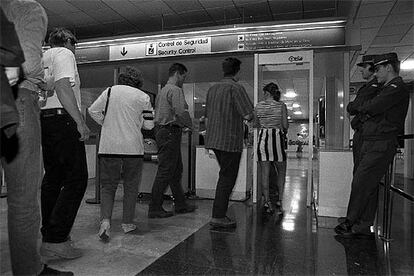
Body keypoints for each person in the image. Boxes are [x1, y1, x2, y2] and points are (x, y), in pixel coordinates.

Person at [1, 1, 73, 275]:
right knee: (23, 197)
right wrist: (42, 81)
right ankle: (29, 271)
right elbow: (28, 62)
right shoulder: (27, 8)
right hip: (16, 103)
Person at [335, 53, 409, 237]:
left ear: (388, 67)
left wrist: (365, 109)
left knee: (362, 181)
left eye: (377, 69)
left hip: (381, 142)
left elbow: (371, 107)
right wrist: (366, 110)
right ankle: (360, 222)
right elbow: (366, 108)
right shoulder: (385, 88)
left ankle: (353, 221)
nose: (375, 74)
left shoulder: (396, 87)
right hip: (372, 140)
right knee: (365, 183)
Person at [40, 28, 90, 259]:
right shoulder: (64, 53)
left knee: (53, 178)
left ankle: (50, 236)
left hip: (46, 120)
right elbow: (62, 87)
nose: (75, 49)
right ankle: (57, 237)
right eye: (75, 44)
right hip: (64, 120)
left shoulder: (42, 58)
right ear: (68, 41)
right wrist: (79, 121)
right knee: (77, 179)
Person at [88, 67, 154, 241]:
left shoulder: (109, 91)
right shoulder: (143, 96)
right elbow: (149, 126)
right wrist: (137, 121)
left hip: (109, 147)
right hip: (132, 148)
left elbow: (93, 110)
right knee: (131, 186)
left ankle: (105, 222)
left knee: (108, 186)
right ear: (138, 81)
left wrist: (106, 123)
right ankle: (127, 223)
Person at [205, 57, 254, 229]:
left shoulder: (212, 89)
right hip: (230, 140)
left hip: (213, 139)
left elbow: (207, 114)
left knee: (224, 176)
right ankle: (218, 216)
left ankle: (218, 214)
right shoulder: (236, 88)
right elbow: (248, 114)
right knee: (227, 178)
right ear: (237, 72)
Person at [148, 63, 196, 218]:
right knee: (166, 171)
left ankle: (181, 204)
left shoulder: (162, 91)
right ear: (177, 74)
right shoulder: (175, 90)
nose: (183, 79)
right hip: (169, 133)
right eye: (183, 76)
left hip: (163, 132)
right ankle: (154, 207)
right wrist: (191, 126)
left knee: (175, 170)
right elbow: (180, 112)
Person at [337, 55, 380, 225]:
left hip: (365, 136)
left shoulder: (373, 87)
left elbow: (353, 107)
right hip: (362, 134)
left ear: (373, 68)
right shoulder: (369, 87)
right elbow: (354, 108)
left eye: (364, 66)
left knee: (364, 178)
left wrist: (355, 109)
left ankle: (361, 221)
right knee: (360, 178)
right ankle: (357, 219)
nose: (361, 69)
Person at [255, 83, 288, 215]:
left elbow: (256, 124)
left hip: (263, 139)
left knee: (265, 172)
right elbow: (285, 125)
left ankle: (267, 201)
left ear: (266, 93)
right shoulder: (281, 106)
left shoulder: (258, 106)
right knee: (281, 171)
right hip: (277, 139)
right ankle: (279, 200)